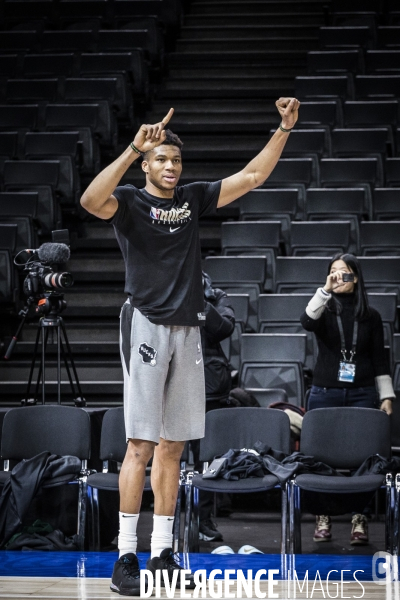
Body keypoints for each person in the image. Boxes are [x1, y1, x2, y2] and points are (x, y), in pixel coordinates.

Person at [80, 97, 300, 596]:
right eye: (161, 159)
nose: (171, 166)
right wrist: (134, 146)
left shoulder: (193, 198)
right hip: (146, 326)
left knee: (174, 446)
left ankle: (162, 552)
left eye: (176, 160)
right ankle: (125, 557)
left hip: (188, 329)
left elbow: (251, 178)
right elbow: (91, 202)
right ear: (146, 165)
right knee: (140, 444)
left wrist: (283, 129)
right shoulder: (131, 202)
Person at [300, 253, 395, 546]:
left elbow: (380, 360)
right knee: (318, 459)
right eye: (333, 272)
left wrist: (387, 396)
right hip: (325, 392)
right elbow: (306, 320)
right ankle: (322, 517)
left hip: (362, 392)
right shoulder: (324, 309)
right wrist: (325, 291)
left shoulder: (372, 316)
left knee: (363, 460)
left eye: (344, 272)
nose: (339, 276)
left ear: (356, 276)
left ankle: (359, 519)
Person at [196, 271, 235, 542]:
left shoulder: (216, 296)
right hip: (175, 383)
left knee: (207, 458)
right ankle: (171, 517)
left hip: (210, 389)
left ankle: (204, 520)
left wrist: (199, 301)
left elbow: (224, 328)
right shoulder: (167, 293)